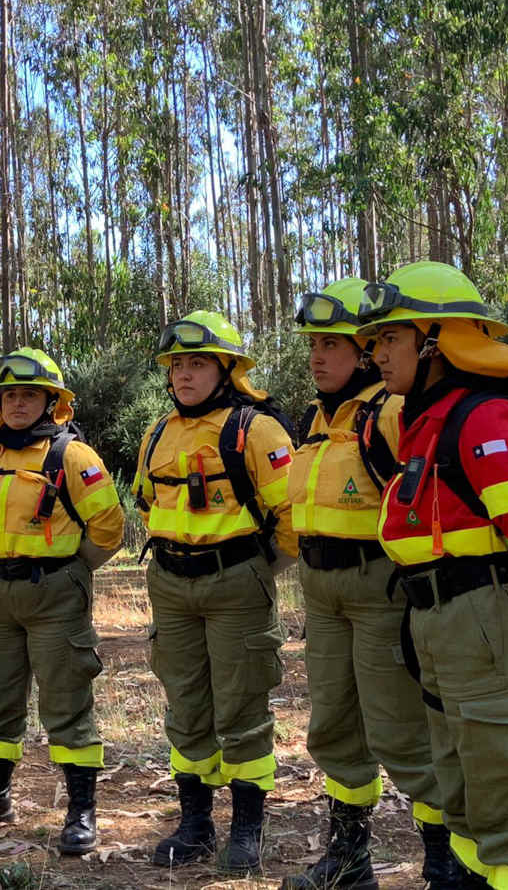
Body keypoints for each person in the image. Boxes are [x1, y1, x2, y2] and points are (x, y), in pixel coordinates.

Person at [358, 261, 508, 890]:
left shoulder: (485, 418)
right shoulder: (421, 418)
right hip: (439, 620)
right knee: (459, 784)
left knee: (506, 799)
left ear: (437, 340)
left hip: (490, 619)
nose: (376, 354)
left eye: (390, 339)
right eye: (376, 341)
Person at [283, 278, 459, 890]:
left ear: (364, 351)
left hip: (379, 587)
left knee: (400, 729)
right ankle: (350, 859)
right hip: (321, 589)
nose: (317, 357)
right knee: (333, 724)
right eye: (313, 345)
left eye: (332, 345)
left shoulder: (388, 412)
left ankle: (443, 860)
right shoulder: (314, 419)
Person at [131, 310, 298, 875]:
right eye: (176, 364)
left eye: (196, 362)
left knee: (242, 705)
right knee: (185, 705)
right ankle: (195, 823)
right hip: (171, 585)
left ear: (227, 369)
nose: (183, 374)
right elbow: (148, 504)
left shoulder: (258, 430)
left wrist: (252, 571)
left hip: (237, 583)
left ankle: (246, 828)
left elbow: (290, 517)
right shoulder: (157, 432)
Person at [0, 348, 124, 855]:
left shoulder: (72, 455)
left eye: (29, 394)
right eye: (10, 395)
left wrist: (69, 569)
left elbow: (109, 527)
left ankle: (81, 811)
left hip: (53, 595)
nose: (18, 403)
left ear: (51, 401)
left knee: (66, 704)